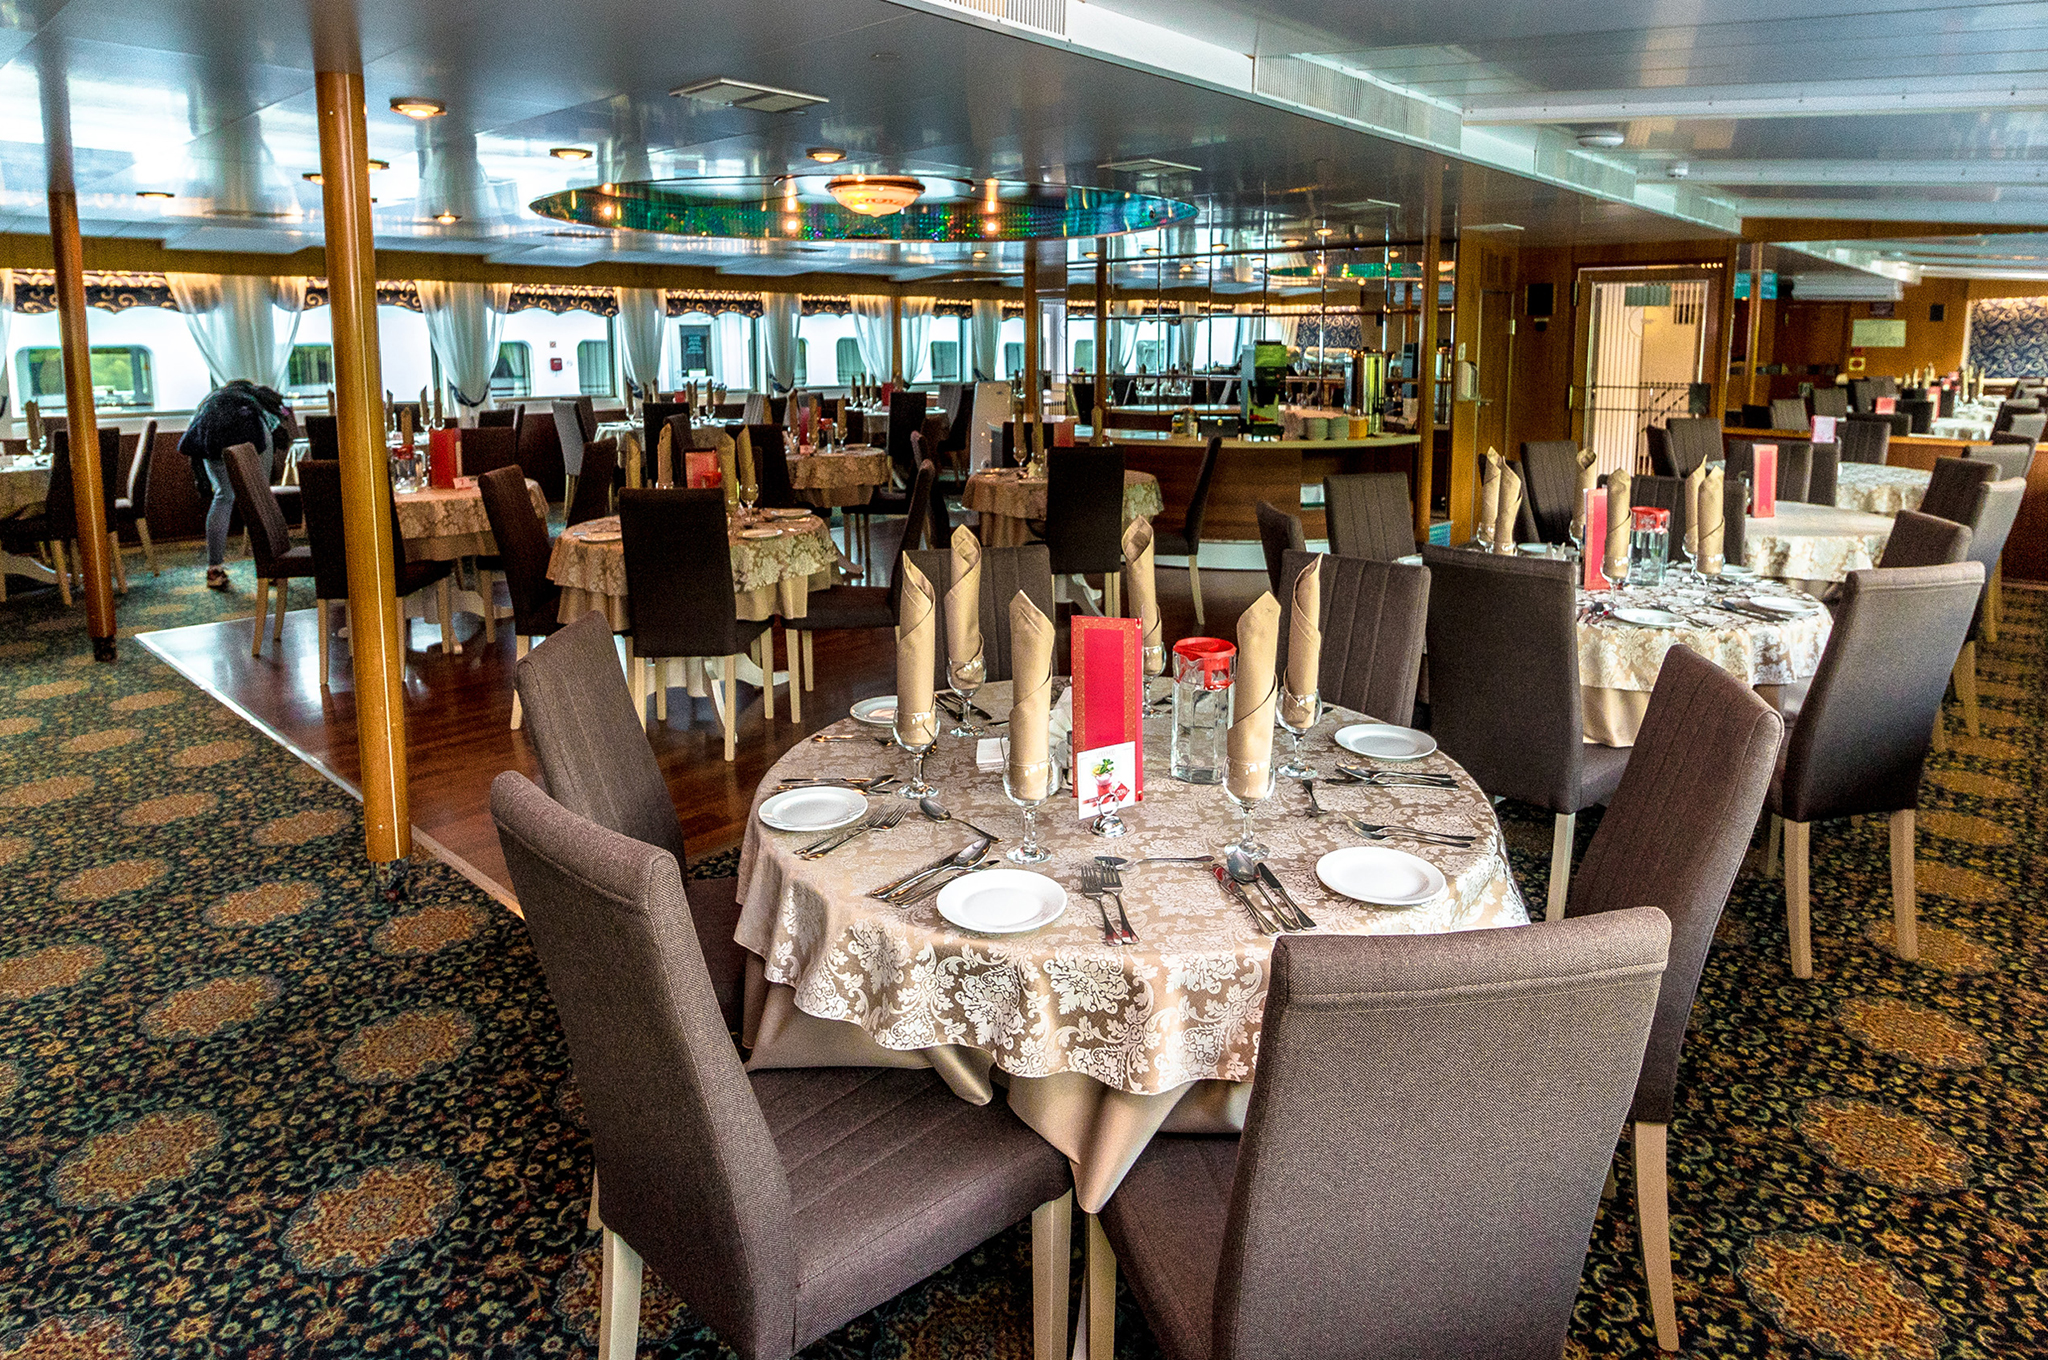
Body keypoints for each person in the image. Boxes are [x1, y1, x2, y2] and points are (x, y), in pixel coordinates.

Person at [178, 381, 288, 590]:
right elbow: (277, 427)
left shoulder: (212, 400)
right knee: (261, 498)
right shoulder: (258, 402)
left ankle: (214, 569)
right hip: (251, 431)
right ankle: (270, 568)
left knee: (223, 496)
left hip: (210, 432)